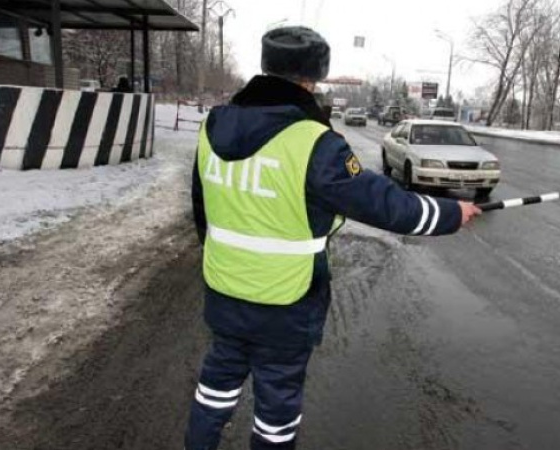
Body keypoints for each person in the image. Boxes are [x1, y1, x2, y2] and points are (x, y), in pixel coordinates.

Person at [185, 26, 481, 450]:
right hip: (286, 302)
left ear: (266, 66)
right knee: (276, 410)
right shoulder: (314, 142)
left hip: (224, 290)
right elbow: (384, 204)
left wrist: (222, 259)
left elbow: (202, 210)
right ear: (312, 79)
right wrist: (452, 213)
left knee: (214, 389)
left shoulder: (212, 126)